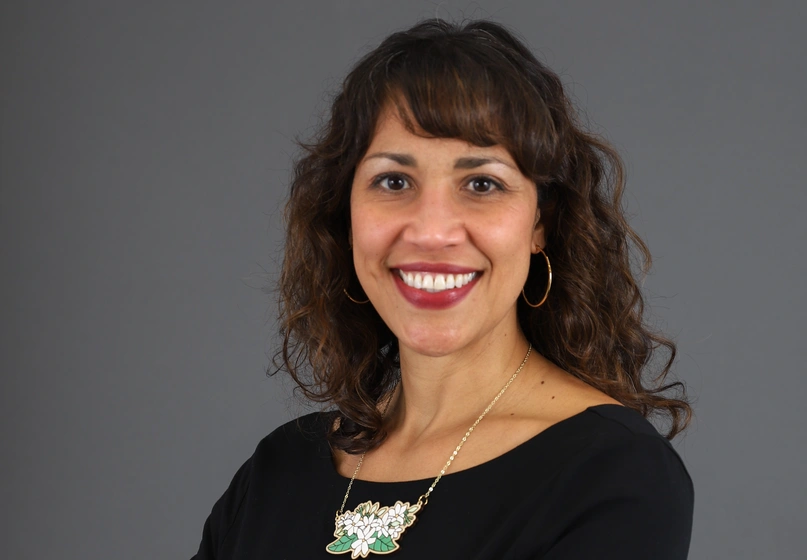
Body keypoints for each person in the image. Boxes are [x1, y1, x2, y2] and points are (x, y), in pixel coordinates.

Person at [192, 19, 694, 560]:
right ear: (347, 215)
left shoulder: (612, 475)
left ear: (540, 223)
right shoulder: (277, 470)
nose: (432, 231)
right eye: (394, 181)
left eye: (482, 184)